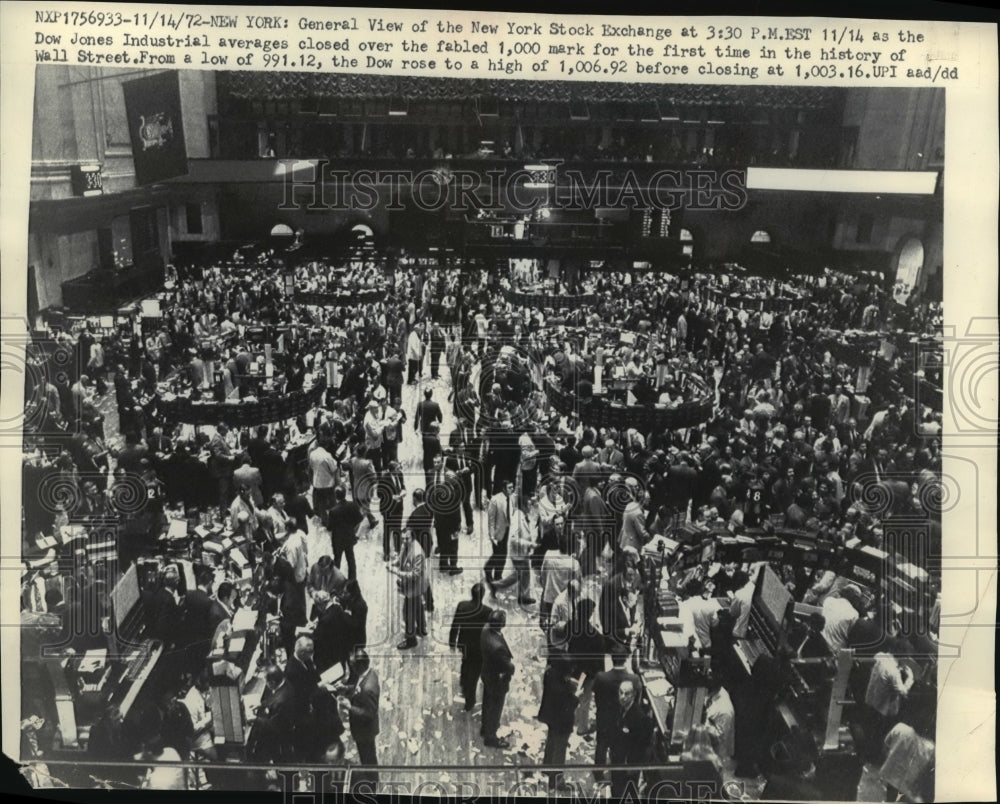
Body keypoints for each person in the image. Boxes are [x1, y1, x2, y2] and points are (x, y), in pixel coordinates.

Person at [592, 651, 641, 781]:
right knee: (618, 748)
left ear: (612, 659)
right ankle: (616, 776)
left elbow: (596, 696)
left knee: (601, 746)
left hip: (603, 717)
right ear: (625, 660)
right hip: (622, 720)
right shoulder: (634, 679)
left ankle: (598, 774)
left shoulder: (601, 677)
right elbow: (637, 701)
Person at [336, 649, 380, 792]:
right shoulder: (368, 675)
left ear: (358, 667)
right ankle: (371, 777)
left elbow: (369, 714)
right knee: (367, 755)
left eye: (352, 665)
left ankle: (372, 783)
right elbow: (357, 689)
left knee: (368, 757)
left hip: (365, 731)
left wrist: (350, 707)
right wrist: (346, 688)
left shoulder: (368, 689)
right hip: (363, 729)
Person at [537, 655, 579, 792]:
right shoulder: (563, 690)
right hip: (562, 721)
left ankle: (547, 768)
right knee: (560, 749)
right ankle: (556, 780)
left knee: (551, 741)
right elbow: (569, 703)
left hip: (550, 716)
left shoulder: (550, 673)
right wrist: (575, 696)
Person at [448, 583, 493, 711]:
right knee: (474, 674)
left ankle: (463, 680)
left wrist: (452, 641)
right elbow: (489, 632)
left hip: (465, 643)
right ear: (483, 596)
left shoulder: (462, 606)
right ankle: (470, 700)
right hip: (479, 647)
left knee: (465, 661)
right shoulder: (487, 611)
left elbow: (455, 624)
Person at [608, 678, 654, 799]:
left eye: (627, 693)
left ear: (633, 695)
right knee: (616, 788)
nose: (623, 696)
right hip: (617, 758)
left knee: (628, 791)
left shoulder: (639, 717)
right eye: (621, 692)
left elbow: (641, 745)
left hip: (629, 763)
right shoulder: (618, 707)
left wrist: (633, 766)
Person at [480, 609, 514, 749]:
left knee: (487, 701)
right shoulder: (498, 648)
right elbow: (509, 667)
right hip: (497, 679)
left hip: (487, 672)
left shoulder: (485, 629)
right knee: (496, 707)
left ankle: (485, 727)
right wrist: (511, 669)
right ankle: (491, 737)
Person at [389, 527, 427, 649]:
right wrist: (394, 563)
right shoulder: (405, 545)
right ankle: (421, 629)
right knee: (418, 607)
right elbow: (401, 559)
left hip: (415, 587)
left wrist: (396, 572)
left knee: (407, 613)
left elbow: (414, 575)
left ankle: (411, 640)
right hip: (411, 586)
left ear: (413, 537)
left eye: (407, 538)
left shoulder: (418, 553)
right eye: (403, 538)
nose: (404, 541)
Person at [328, 486, 363, 581]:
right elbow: (360, 518)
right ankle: (352, 579)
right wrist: (352, 527)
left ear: (335, 496)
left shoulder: (333, 511)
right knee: (351, 559)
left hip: (338, 540)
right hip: (349, 536)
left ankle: (336, 580)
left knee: (337, 560)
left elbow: (330, 527)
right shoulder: (352, 505)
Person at [485, 480, 514, 594]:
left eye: (512, 487)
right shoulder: (495, 500)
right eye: (509, 488)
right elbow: (491, 520)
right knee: (498, 555)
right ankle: (488, 568)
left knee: (503, 554)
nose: (512, 490)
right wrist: (492, 536)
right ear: (503, 489)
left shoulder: (511, 498)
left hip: (506, 530)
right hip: (497, 533)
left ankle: (498, 575)